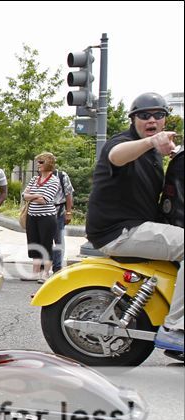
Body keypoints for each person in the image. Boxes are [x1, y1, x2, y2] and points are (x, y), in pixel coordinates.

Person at [86, 92, 183, 353]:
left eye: (158, 115)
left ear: (165, 120)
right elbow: (116, 156)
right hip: (118, 231)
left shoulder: (154, 154)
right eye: (144, 115)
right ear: (133, 119)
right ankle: (175, 329)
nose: (152, 119)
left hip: (135, 226)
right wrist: (151, 141)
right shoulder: (123, 143)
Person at [22, 152, 60, 282]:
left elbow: (45, 200)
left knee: (46, 244)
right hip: (32, 216)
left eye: (41, 162)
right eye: (37, 162)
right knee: (33, 243)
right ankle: (35, 273)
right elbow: (24, 195)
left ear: (49, 163)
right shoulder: (34, 179)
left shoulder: (54, 180)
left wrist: (31, 196)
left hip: (47, 217)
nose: (38, 164)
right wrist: (36, 196)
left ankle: (46, 273)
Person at [51, 166, 74, 272]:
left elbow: (68, 194)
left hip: (58, 212)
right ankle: (45, 267)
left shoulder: (61, 176)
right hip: (44, 213)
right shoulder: (40, 176)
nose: (39, 165)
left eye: (41, 162)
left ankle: (57, 267)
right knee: (45, 240)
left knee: (58, 240)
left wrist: (68, 212)